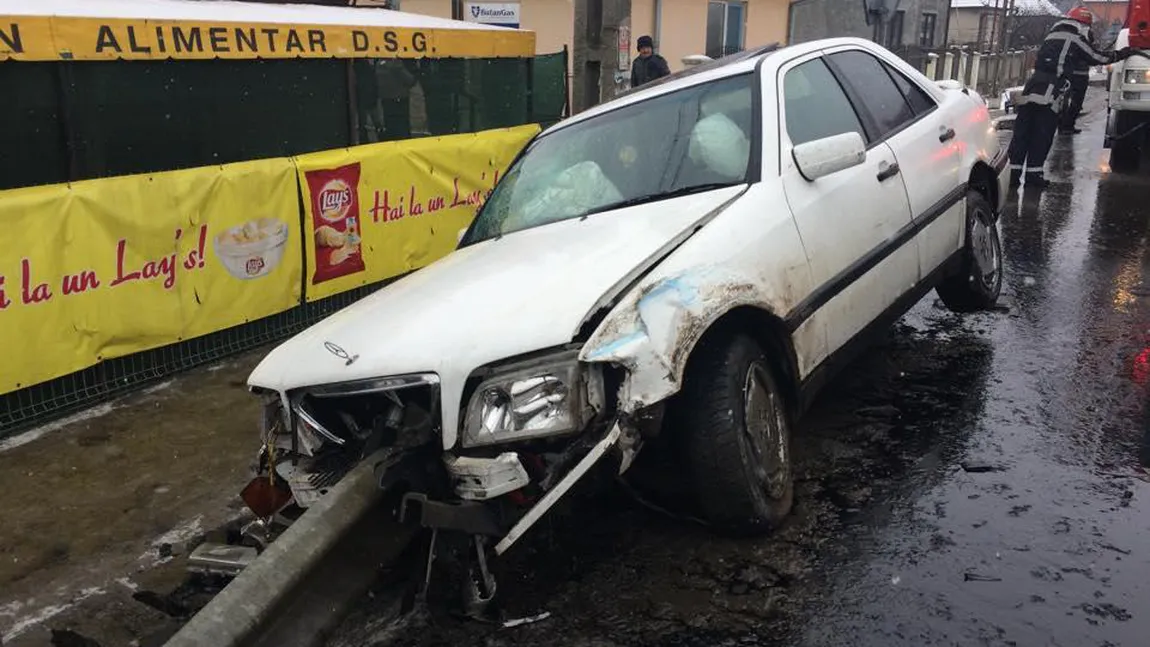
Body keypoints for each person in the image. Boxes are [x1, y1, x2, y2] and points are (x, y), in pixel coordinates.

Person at [1007, 6, 1134, 189]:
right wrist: (1122, 54)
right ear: (1083, 24)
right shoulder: (1075, 38)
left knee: (1023, 132)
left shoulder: (1053, 34)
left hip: (1032, 86)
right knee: (1042, 133)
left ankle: (1012, 176)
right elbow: (1096, 56)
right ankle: (1034, 176)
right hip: (1051, 89)